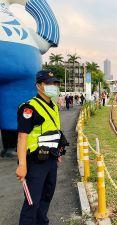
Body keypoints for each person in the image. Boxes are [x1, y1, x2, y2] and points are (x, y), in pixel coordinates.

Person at [16, 70, 68, 225]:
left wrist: (57, 151)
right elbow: (22, 137)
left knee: (47, 196)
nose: (54, 86)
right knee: (32, 202)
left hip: (50, 160)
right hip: (35, 163)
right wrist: (22, 165)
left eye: (56, 83)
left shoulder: (54, 107)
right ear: (39, 86)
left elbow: (53, 131)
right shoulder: (29, 108)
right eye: (49, 83)